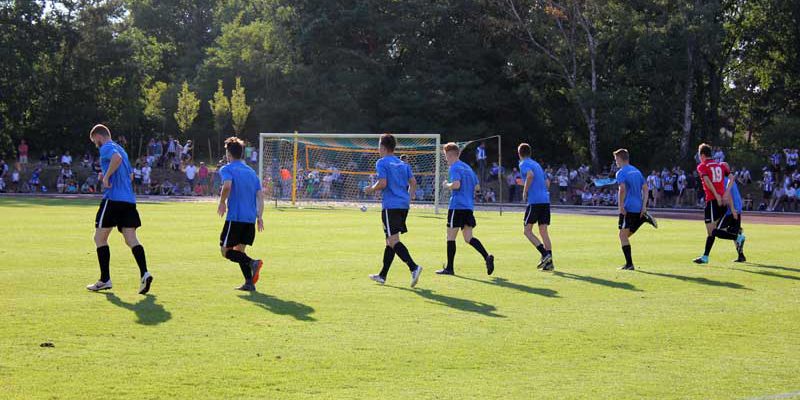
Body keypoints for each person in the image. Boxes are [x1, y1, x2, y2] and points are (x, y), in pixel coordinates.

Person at [85, 124, 153, 294]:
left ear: (99, 137)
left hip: (113, 199)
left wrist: (107, 176)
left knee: (99, 238)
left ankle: (105, 279)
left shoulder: (107, 147)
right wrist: (112, 175)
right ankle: (145, 273)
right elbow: (129, 175)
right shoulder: (122, 149)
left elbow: (116, 159)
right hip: (129, 200)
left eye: (95, 141)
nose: (96, 144)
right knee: (131, 240)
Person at [364, 133, 423, 286]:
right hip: (403, 205)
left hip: (391, 205)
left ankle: (414, 267)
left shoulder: (382, 162)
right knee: (389, 241)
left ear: (382, 147)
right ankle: (382, 275)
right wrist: (409, 198)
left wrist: (371, 189)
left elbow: (382, 183)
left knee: (393, 240)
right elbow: (413, 182)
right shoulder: (403, 164)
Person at [436, 142, 494, 276]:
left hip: (457, 206)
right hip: (468, 207)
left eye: (446, 156)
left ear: (451, 155)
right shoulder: (468, 168)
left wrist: (446, 185)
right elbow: (477, 187)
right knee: (468, 238)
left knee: (450, 237)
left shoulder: (454, 167)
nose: (446, 159)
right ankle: (487, 256)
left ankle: (449, 268)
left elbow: (456, 185)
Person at [217, 137, 265, 292]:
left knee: (226, 251)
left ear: (228, 153)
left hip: (236, 218)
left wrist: (222, 202)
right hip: (250, 219)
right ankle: (249, 283)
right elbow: (260, 196)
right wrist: (259, 217)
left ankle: (253, 263)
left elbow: (227, 186)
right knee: (239, 251)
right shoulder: (251, 172)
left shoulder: (227, 168)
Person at [614, 149, 658, 270]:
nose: (615, 162)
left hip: (628, 207)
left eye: (616, 159)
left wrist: (621, 206)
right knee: (625, 235)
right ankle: (642, 218)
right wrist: (644, 206)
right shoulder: (637, 171)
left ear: (620, 158)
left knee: (622, 235)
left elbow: (622, 189)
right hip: (638, 207)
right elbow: (645, 188)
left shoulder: (621, 172)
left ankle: (629, 264)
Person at [693, 143, 733, 264]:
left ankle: (737, 237)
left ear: (703, 155)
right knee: (713, 231)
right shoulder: (720, 165)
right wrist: (726, 193)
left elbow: (707, 181)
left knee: (712, 231)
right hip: (722, 200)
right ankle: (705, 256)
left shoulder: (702, 166)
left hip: (712, 200)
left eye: (700, 156)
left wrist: (716, 195)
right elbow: (732, 178)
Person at [518, 143, 554, 271]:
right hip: (545, 200)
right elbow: (547, 182)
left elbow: (530, 175)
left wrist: (525, 191)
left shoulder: (523, 164)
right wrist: (540, 190)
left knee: (527, 231)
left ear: (519, 153)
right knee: (543, 232)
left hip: (535, 201)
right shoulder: (537, 164)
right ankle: (550, 263)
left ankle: (545, 255)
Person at [711, 172, 747, 262]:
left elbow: (728, 196)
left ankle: (738, 236)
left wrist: (732, 209)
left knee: (716, 231)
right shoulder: (731, 181)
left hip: (731, 211)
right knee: (734, 232)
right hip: (737, 209)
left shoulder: (723, 181)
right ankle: (741, 255)